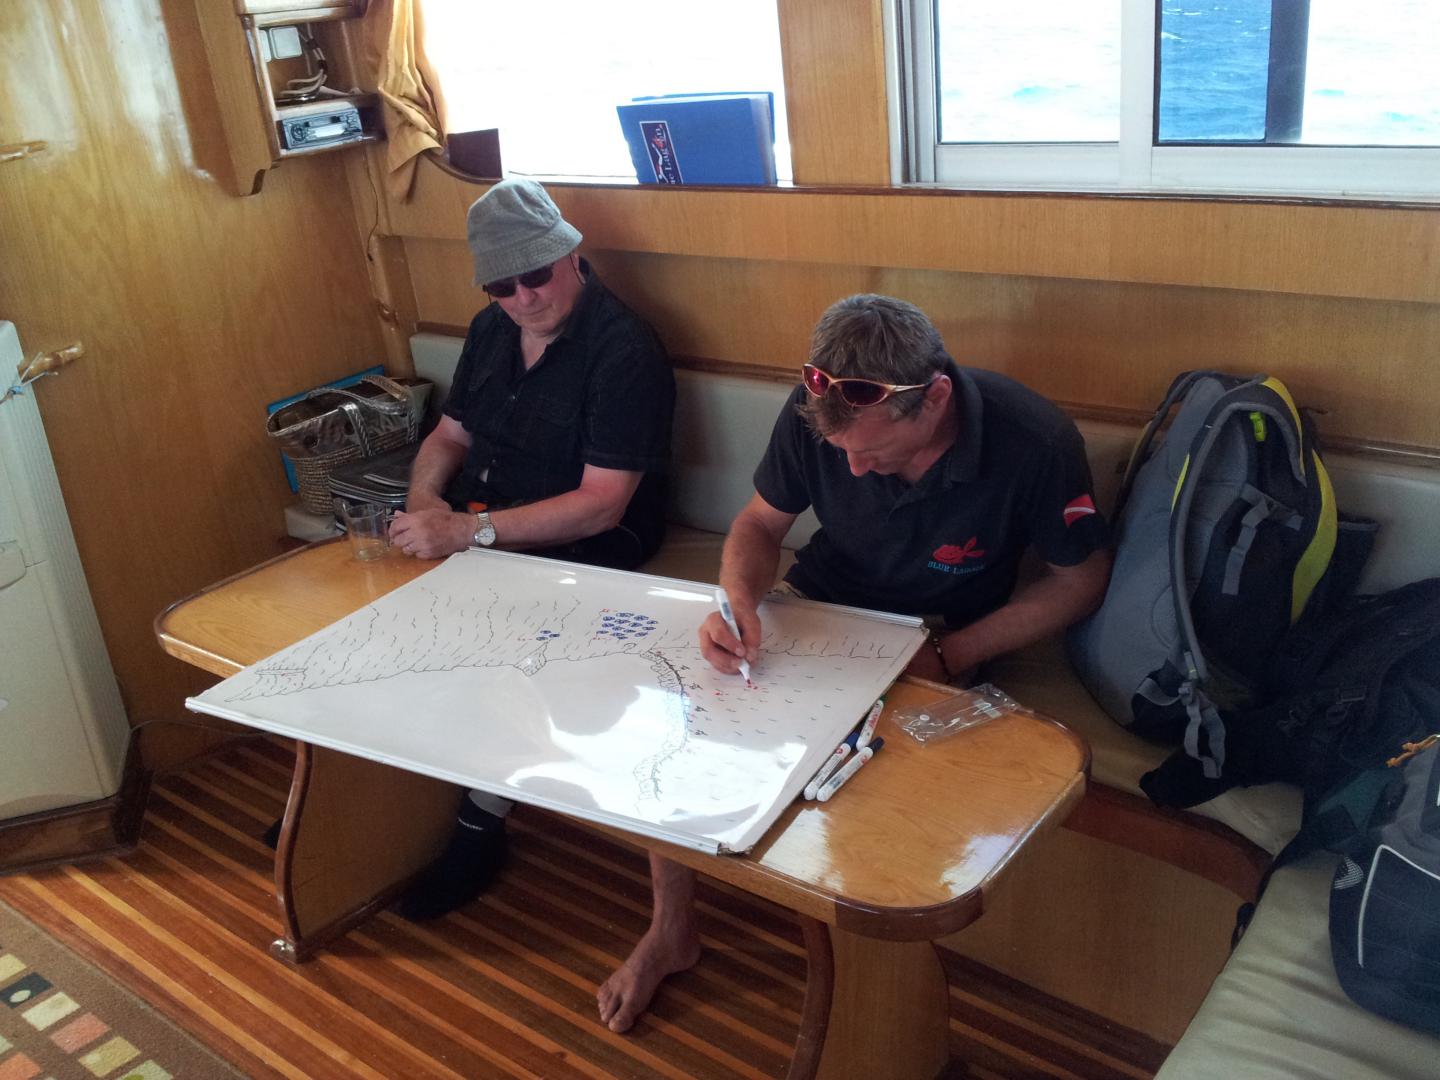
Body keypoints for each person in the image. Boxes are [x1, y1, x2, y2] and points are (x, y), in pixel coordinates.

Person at [596, 293, 1111, 1032]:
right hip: (821, 599)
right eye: (842, 454)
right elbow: (759, 523)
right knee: (692, 719)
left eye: (874, 454)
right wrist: (738, 601)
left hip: (945, 629)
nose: (857, 471)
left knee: (875, 777)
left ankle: (868, 984)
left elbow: (1080, 580)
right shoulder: (816, 410)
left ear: (935, 399)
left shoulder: (1033, 441)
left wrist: (954, 652)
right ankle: (671, 928)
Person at [388, 178, 675, 920]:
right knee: (379, 617)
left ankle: (478, 827)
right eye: (501, 286)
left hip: (588, 537)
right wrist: (425, 500)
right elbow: (449, 437)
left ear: (570, 254)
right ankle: (367, 802)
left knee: (508, 647)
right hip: (483, 519)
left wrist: (468, 533)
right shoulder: (490, 330)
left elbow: (602, 503)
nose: (522, 298)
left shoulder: (624, 349)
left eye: (535, 276)